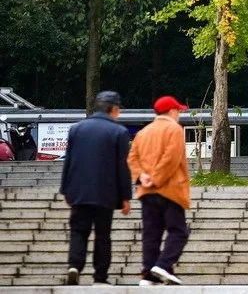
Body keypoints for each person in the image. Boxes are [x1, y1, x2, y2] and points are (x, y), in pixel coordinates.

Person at [60, 91, 132, 286]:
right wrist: (126, 196)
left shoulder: (76, 129)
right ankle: (100, 276)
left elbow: (69, 161)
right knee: (103, 235)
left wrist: (65, 189)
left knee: (78, 231)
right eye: (119, 109)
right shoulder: (119, 132)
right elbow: (122, 167)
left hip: (79, 192)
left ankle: (74, 265)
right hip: (105, 194)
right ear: (113, 109)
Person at [128, 95, 191, 286]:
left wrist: (141, 177)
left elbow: (132, 158)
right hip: (169, 189)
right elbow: (171, 158)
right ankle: (163, 265)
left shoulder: (143, 132)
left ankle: (149, 273)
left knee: (151, 234)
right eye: (178, 111)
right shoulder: (174, 129)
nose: (179, 114)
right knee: (178, 231)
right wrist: (155, 179)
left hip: (147, 192)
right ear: (172, 111)